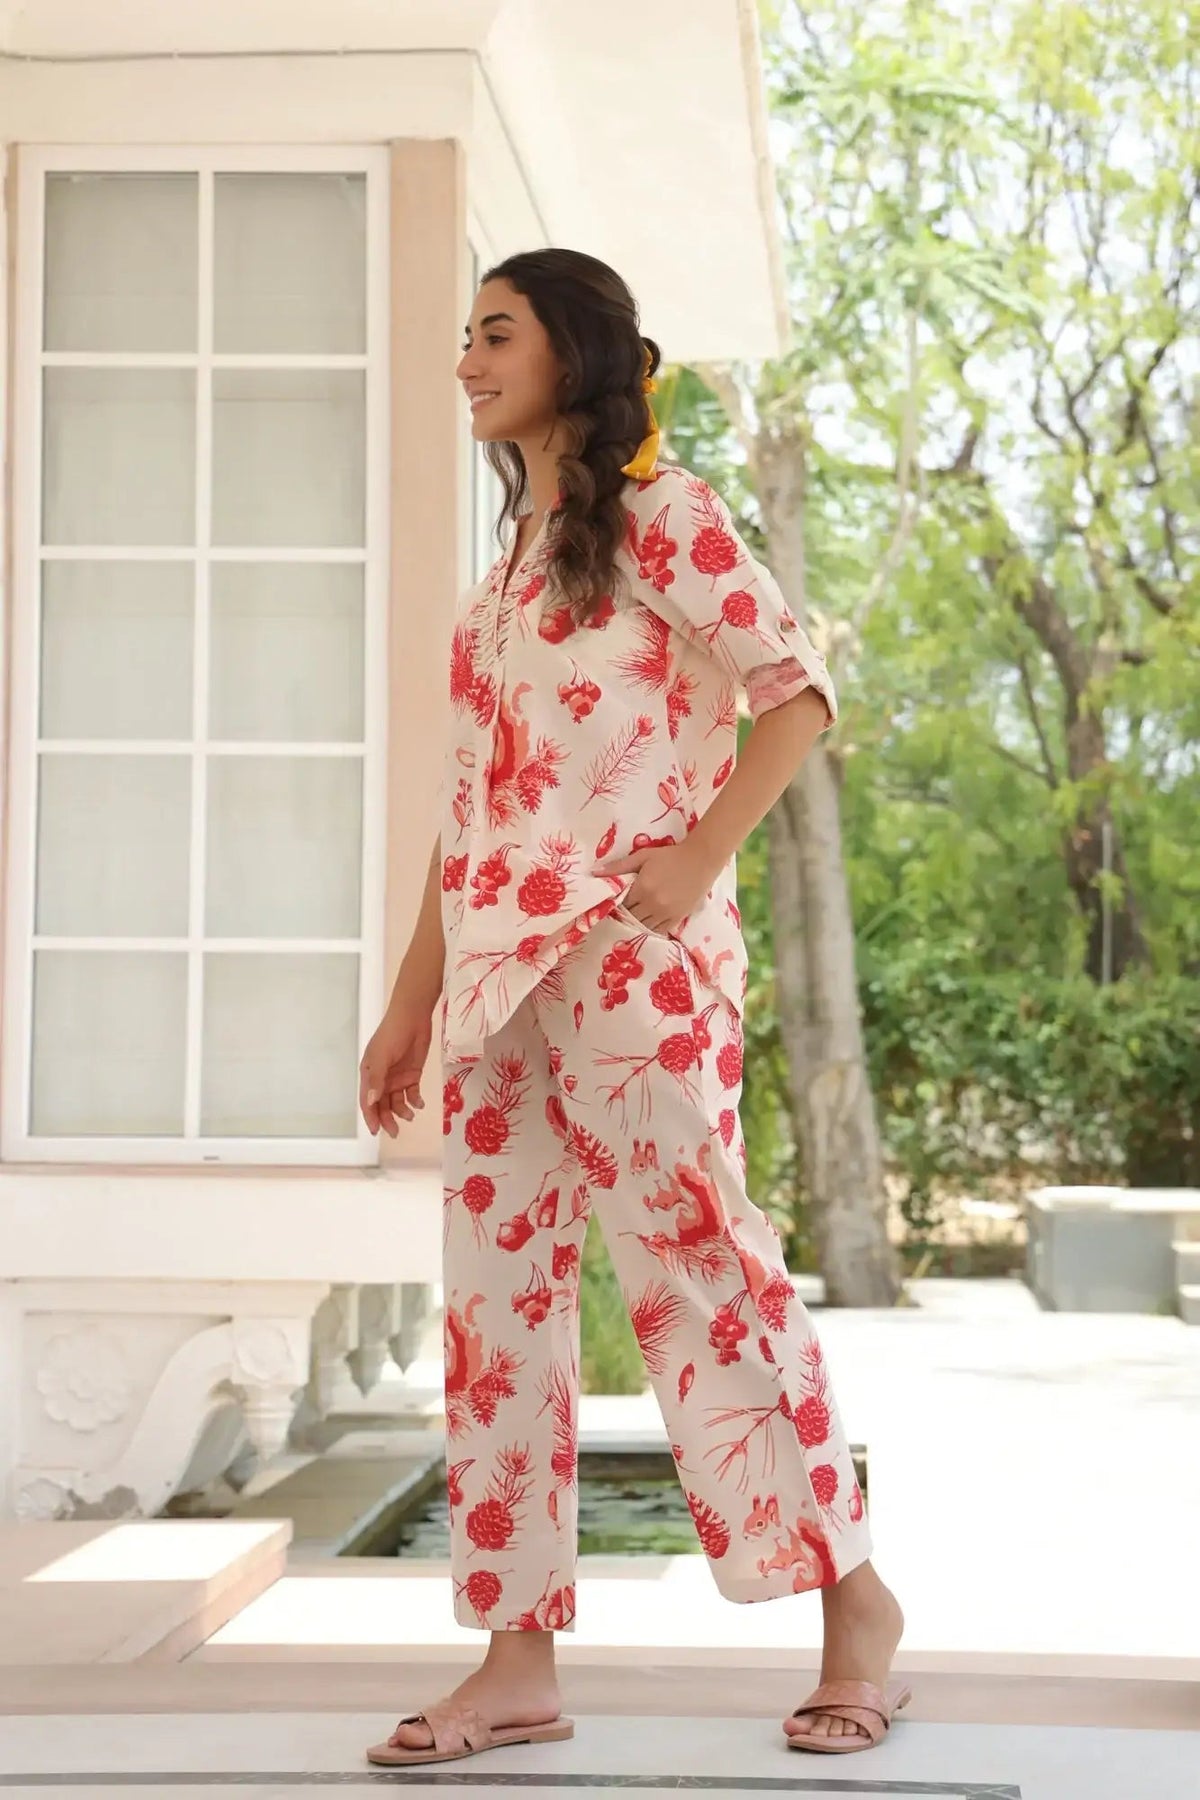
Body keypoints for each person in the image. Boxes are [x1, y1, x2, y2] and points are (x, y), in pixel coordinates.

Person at [357, 248, 908, 1767]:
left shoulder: (668, 516)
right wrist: (408, 1005)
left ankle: (856, 1611)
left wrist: (698, 855)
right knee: (496, 1315)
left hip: (629, 969)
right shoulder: (503, 578)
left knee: (703, 1273)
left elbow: (794, 694)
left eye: (496, 334)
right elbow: (469, 819)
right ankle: (515, 1663)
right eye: (466, 336)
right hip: (495, 988)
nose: (467, 361)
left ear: (573, 354)